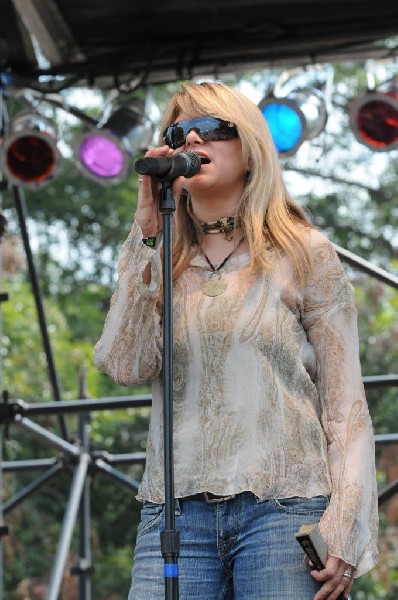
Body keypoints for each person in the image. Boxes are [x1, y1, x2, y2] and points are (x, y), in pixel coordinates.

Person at [93, 81, 378, 600]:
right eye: (178, 132)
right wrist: (146, 231)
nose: (192, 138)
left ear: (250, 147)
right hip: (174, 515)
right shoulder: (157, 257)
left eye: (213, 128)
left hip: (283, 512)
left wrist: (347, 523)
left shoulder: (305, 253)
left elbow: (346, 407)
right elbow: (126, 363)